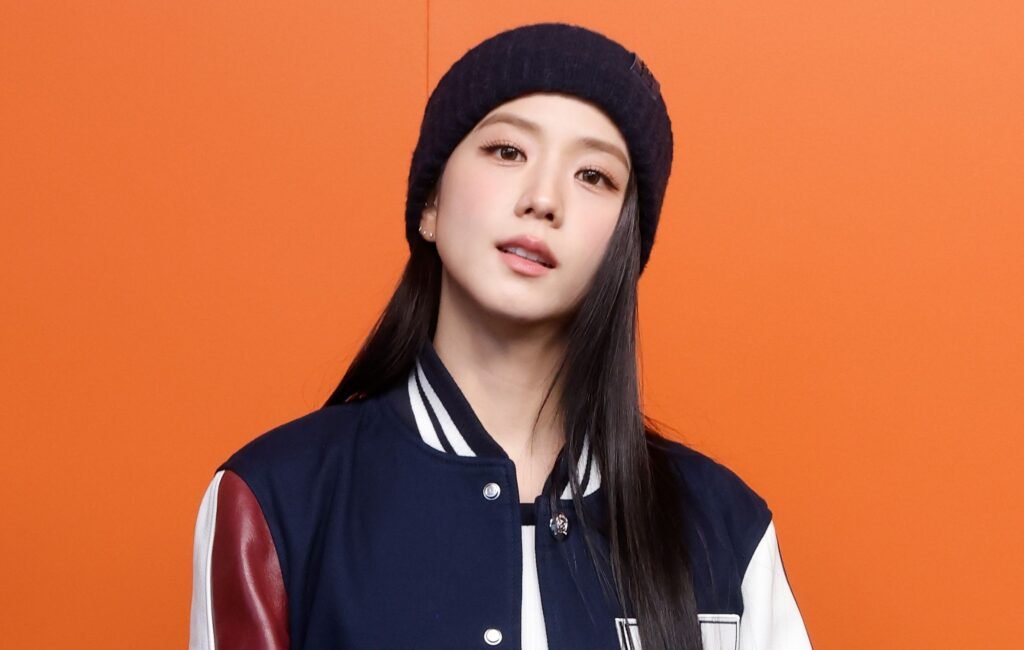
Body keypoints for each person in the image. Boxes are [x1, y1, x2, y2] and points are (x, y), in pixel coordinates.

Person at [189, 21, 813, 650]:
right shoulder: (277, 500)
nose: (543, 199)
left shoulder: (726, 527)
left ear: (624, 245)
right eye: (508, 151)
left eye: (593, 175)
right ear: (430, 204)